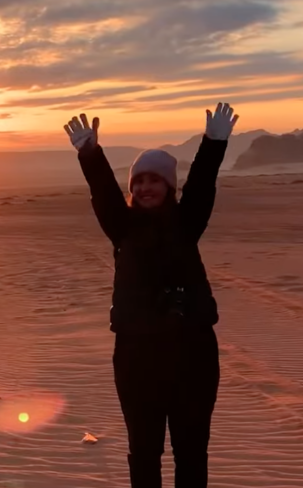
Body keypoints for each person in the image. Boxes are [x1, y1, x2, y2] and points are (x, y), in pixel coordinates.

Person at [63, 103, 239, 487]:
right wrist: (90, 154)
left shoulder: (186, 221)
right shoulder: (121, 226)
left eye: (154, 180)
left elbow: (202, 185)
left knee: (191, 450)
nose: (145, 188)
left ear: (168, 187)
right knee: (144, 450)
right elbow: (105, 194)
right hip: (136, 356)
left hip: (193, 353)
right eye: (138, 181)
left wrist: (214, 143)